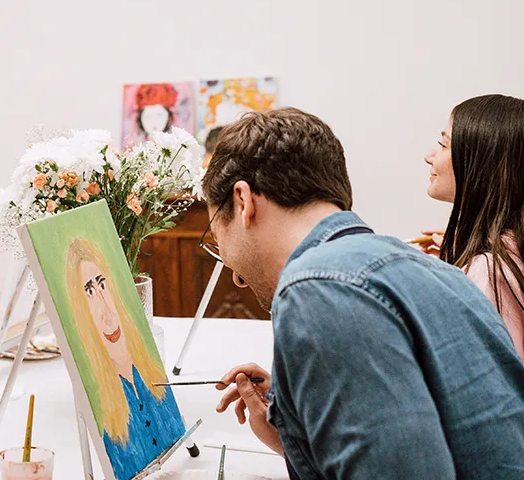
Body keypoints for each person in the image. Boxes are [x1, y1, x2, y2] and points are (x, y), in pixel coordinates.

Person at [201, 108, 524, 478]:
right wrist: (295, 420)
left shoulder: (318, 287)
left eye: (216, 236)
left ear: (243, 202)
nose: (232, 271)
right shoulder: (437, 272)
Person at [64, 238, 185, 480]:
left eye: (102, 285)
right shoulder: (105, 405)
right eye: (89, 292)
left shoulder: (150, 375)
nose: (107, 312)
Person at [419, 94, 524, 359]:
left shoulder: (490, 272)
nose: (429, 157)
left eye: (444, 145)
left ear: (481, 165)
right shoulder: (505, 258)